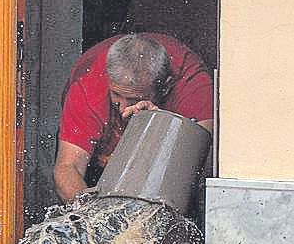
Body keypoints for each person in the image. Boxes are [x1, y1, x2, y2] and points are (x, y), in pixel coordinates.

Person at [52, 33, 215, 204]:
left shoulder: (193, 88)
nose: (123, 109)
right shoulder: (88, 86)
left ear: (165, 87)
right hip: (99, 158)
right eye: (116, 95)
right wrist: (95, 219)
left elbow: (195, 175)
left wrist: (159, 123)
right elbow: (68, 168)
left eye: (135, 99)